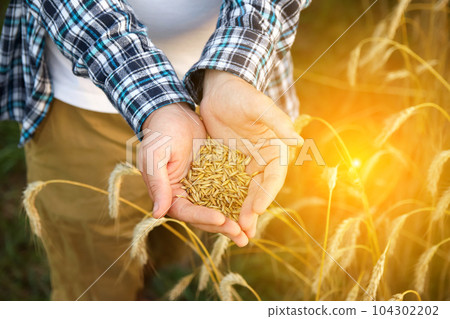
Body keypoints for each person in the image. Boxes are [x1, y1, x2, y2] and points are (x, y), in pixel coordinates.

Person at [0, 0, 310, 300]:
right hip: (84, 96)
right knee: (93, 271)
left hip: (230, 96)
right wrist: (155, 100)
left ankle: (147, 286)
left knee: (179, 241)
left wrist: (233, 67)